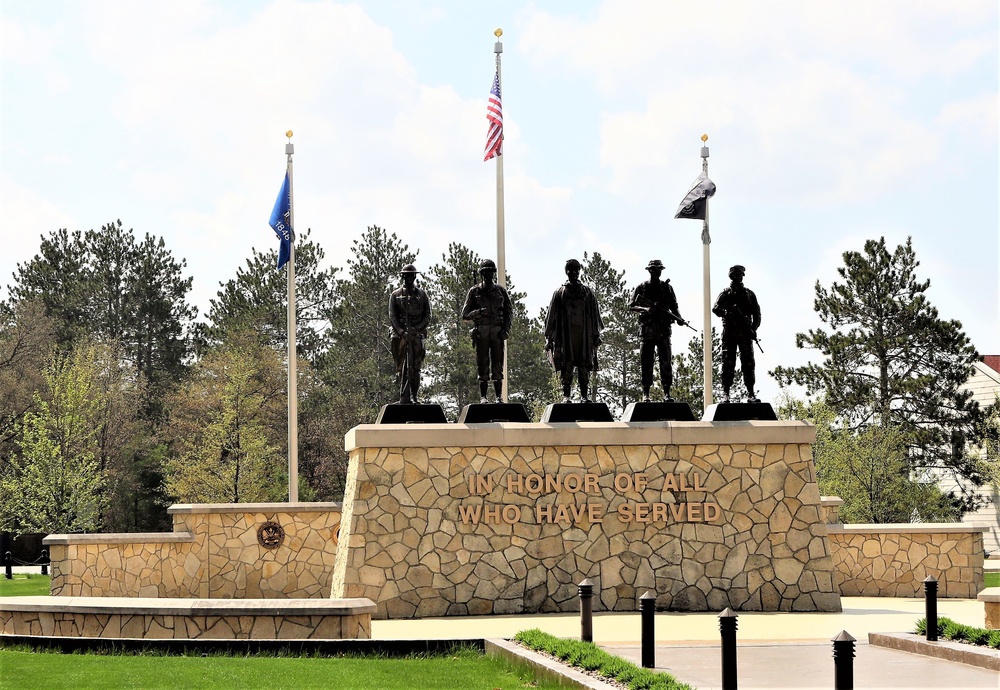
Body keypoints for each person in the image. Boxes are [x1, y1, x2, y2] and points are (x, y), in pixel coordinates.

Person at [544, 259, 603, 403]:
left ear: (579, 272)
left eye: (576, 270)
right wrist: (548, 338)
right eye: (570, 270)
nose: (573, 273)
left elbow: (594, 315)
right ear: (566, 272)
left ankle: (584, 395)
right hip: (566, 335)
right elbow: (551, 317)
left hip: (584, 335)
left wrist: (596, 335)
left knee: (584, 365)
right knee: (567, 364)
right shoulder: (559, 293)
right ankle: (566, 395)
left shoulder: (588, 292)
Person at [629, 259, 688, 402]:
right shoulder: (641, 288)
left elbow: (674, 306)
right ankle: (646, 393)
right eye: (654, 269)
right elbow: (631, 305)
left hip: (663, 331)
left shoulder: (667, 288)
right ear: (649, 271)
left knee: (666, 363)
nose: (656, 272)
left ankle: (667, 393)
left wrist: (679, 318)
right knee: (646, 363)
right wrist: (645, 309)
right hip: (647, 331)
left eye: (658, 270)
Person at [462, 259, 513, 403]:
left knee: (498, 365)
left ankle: (498, 396)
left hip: (497, 332)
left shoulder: (500, 291)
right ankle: (483, 396)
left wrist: (506, 329)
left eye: (490, 272)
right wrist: (479, 312)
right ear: (481, 274)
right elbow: (465, 315)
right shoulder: (474, 291)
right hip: (482, 332)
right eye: (485, 272)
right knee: (482, 364)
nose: (488, 275)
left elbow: (509, 312)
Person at [712, 264, 761, 402]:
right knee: (728, 363)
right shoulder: (725, 293)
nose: (737, 278)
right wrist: (727, 313)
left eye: (739, 276)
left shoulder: (749, 294)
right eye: (734, 276)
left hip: (745, 334)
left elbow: (757, 314)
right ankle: (725, 393)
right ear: (731, 277)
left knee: (748, 363)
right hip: (730, 333)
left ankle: (750, 393)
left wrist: (753, 329)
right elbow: (716, 308)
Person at [389, 264, 431, 404]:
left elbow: (427, 316)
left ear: (415, 276)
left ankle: (414, 395)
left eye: (411, 275)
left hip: (416, 334)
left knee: (416, 367)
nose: (409, 278)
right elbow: (392, 316)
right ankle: (403, 396)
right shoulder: (395, 295)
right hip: (400, 335)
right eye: (406, 275)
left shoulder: (422, 295)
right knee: (402, 366)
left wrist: (417, 329)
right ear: (402, 276)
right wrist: (401, 332)